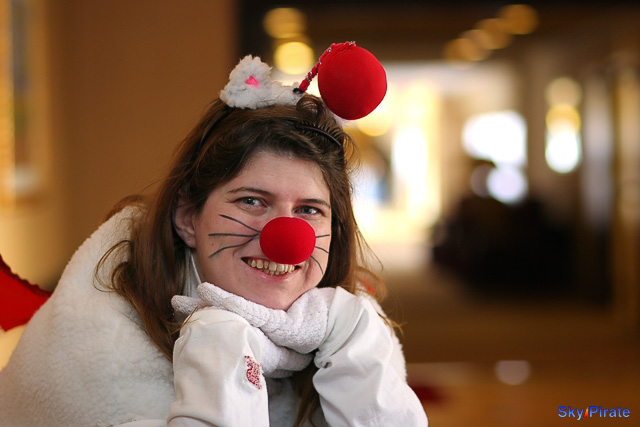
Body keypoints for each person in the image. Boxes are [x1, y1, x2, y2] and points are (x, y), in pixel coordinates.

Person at [0, 43, 428, 426]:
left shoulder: (349, 325)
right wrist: (222, 345)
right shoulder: (104, 363)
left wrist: (353, 336)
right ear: (188, 217)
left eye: (309, 210)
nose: (286, 239)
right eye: (251, 201)